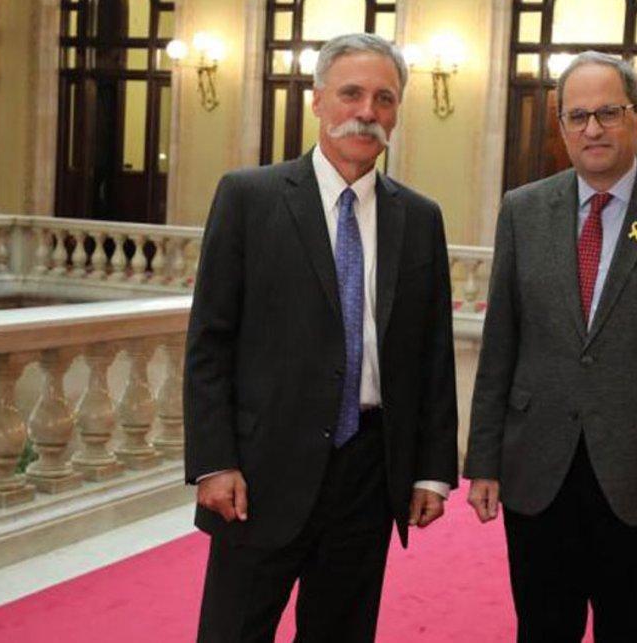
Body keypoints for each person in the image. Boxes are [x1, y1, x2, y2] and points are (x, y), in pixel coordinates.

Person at [184, 32, 458, 642]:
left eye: (384, 99)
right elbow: (210, 342)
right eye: (352, 93)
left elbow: (433, 354)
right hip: (258, 474)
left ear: (397, 112)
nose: (367, 112)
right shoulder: (248, 198)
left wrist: (432, 471)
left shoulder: (418, 218)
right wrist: (214, 461)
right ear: (317, 100)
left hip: (369, 471)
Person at [464, 51, 637, 642]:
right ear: (560, 125)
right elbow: (501, 345)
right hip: (538, 471)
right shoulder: (523, 210)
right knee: (541, 628)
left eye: (608, 113)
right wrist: (482, 460)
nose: (592, 129)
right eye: (577, 115)